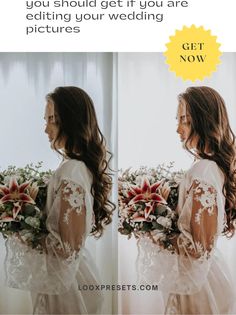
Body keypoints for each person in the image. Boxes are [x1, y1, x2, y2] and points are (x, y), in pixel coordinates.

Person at [5, 86, 115, 314]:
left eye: (52, 120)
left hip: (65, 285)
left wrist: (21, 230)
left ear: (71, 121)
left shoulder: (72, 170)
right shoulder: (72, 166)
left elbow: (67, 248)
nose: (46, 129)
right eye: (45, 120)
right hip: (66, 276)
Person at [138, 86, 236, 314]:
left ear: (204, 121)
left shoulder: (204, 170)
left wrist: (155, 229)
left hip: (198, 283)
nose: (178, 129)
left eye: (185, 120)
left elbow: (198, 247)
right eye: (178, 119)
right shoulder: (207, 166)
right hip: (199, 274)